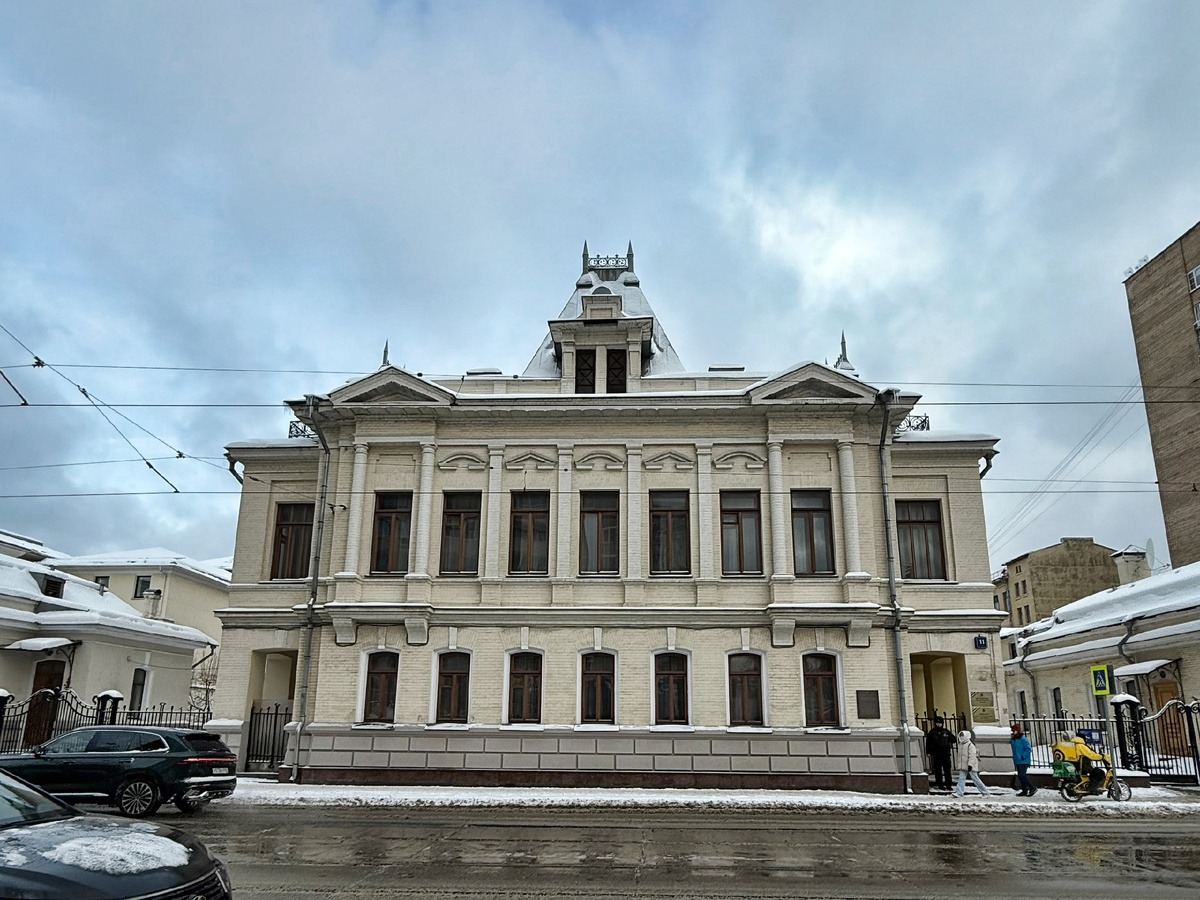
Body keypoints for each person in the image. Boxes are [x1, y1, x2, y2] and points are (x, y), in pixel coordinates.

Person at [954, 729, 992, 797]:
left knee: (975, 779)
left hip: (970, 765)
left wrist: (970, 765)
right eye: (961, 735)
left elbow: (972, 756)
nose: (961, 737)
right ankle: (959, 792)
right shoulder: (960, 745)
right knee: (961, 778)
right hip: (963, 766)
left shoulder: (970, 745)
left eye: (963, 735)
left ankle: (985, 792)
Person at [926, 716, 957, 791]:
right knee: (938, 770)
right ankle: (940, 784)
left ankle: (948, 785)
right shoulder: (932, 732)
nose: (939, 724)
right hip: (936, 754)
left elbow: (953, 739)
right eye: (937, 723)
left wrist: (948, 737)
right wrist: (929, 752)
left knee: (947, 770)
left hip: (946, 754)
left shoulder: (946, 731)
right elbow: (928, 743)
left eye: (940, 723)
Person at [1010, 723, 1036, 796]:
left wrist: (1023, 756)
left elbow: (1028, 749)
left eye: (1014, 730)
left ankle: (1032, 787)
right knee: (1020, 776)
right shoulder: (1013, 739)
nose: (1013, 732)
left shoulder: (1023, 739)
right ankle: (1024, 790)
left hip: (1023, 760)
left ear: (1017, 731)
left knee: (1022, 775)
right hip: (1018, 760)